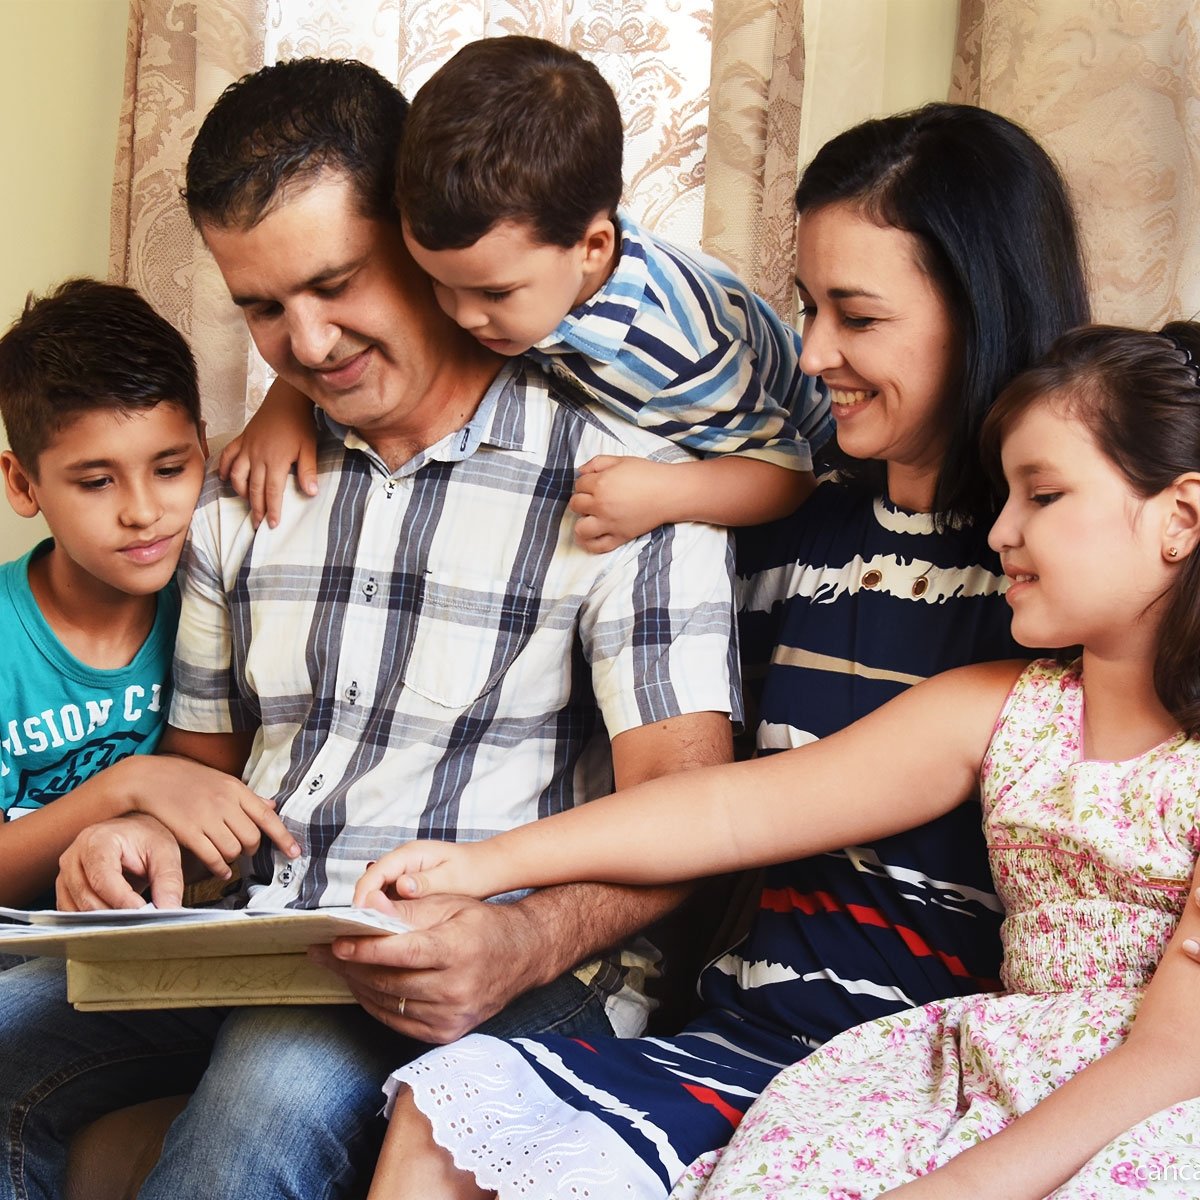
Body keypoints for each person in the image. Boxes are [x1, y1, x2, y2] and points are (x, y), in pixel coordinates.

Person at [0, 58, 738, 1200]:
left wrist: (525, 941)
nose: (306, 343)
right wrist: (129, 841)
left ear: (417, 232)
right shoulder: (241, 497)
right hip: (254, 932)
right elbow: (202, 772)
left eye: (335, 283)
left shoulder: (626, 484)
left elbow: (689, 809)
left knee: (263, 1095)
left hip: (506, 950)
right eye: (261, 307)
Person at [357, 102, 1091, 1200]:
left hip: (937, 1070)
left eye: (857, 316)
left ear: (977, 308)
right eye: (808, 307)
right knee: (440, 1114)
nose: (814, 354)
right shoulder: (776, 533)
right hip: (744, 1035)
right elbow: (710, 808)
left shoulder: (1054, 582)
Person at [221, 35, 831, 550]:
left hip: (810, 486)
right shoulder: (530, 260)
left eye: (493, 294)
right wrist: (286, 403)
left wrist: (667, 492)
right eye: (437, 282)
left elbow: (791, 470)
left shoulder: (670, 349)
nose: (462, 316)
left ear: (593, 248)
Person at [0, 278, 294, 908]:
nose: (143, 512)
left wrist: (288, 401)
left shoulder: (216, 599)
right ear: (23, 485)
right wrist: (128, 784)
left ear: (203, 448)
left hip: (151, 937)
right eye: (96, 482)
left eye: (169, 469)